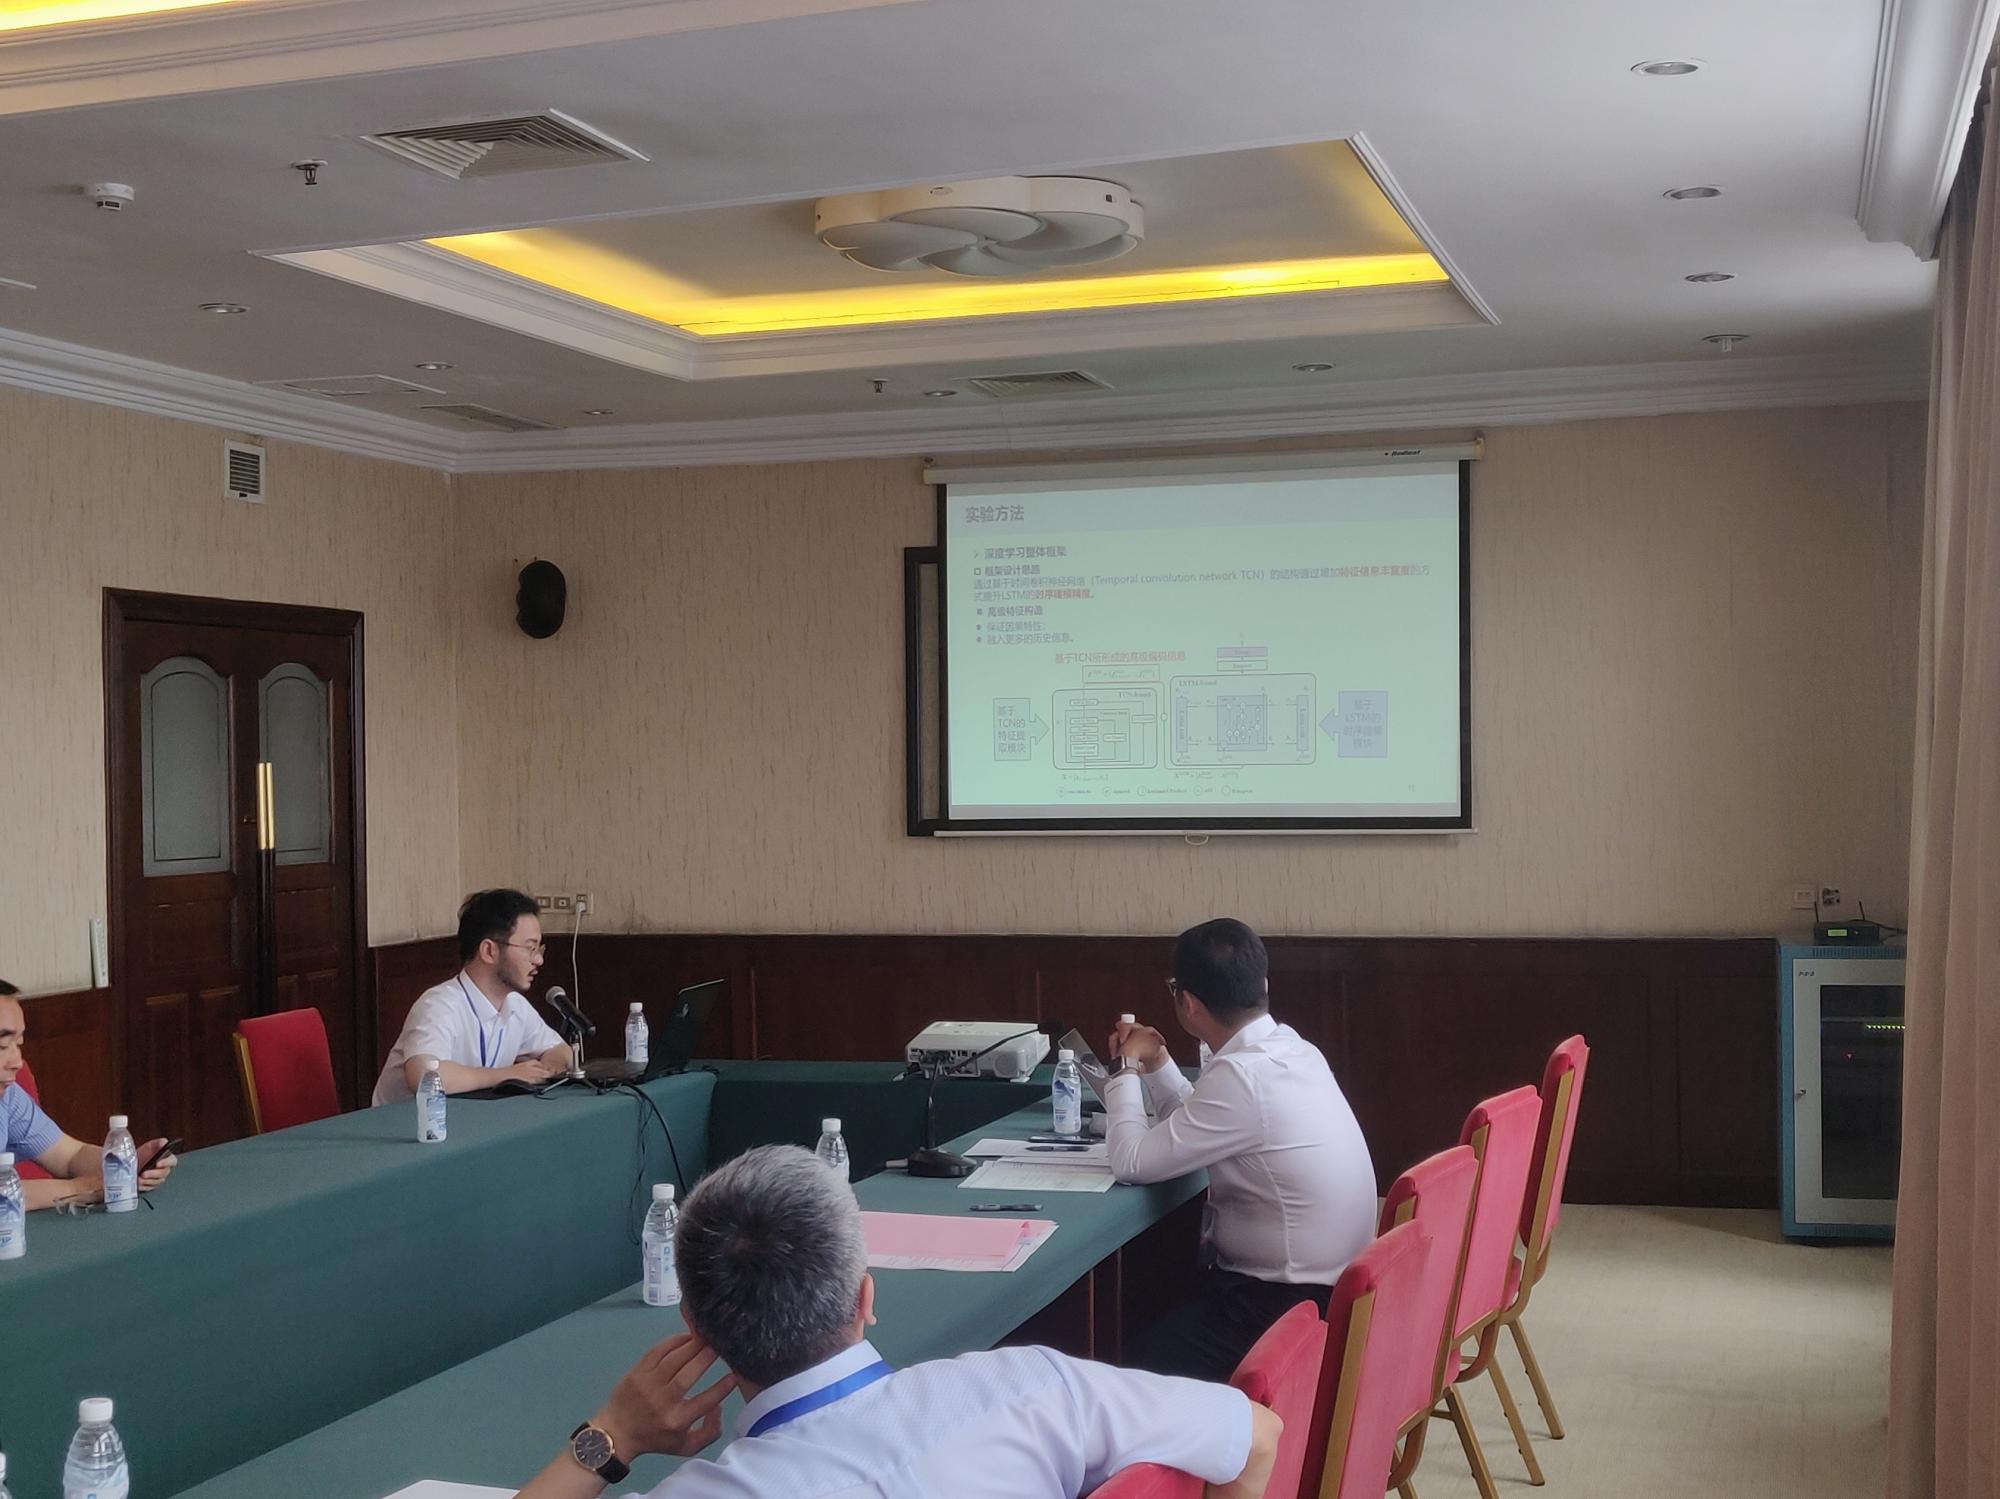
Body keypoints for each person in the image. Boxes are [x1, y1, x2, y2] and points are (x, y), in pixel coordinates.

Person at [514, 1145, 1281, 1499]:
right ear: (866, 1297)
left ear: (695, 1326)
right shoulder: (1034, 1388)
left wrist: (609, 1435)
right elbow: (1257, 1435)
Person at [1105, 917, 1377, 1383]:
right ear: (1263, 985)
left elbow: (1130, 1162)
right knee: (1155, 1300)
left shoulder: (1242, 1077)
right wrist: (1157, 1063)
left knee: (1125, 1358)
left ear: (1189, 1003)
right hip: (1333, 1290)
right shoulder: (1292, 1049)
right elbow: (1202, 1122)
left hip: (1284, 1307)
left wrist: (1125, 1067)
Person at [372, 890, 573, 1106]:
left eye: (539, 948)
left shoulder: (515, 1005)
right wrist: (507, 1075)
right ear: (489, 951)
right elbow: (424, 1076)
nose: (539, 960)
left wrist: (545, 1071)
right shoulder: (439, 1005)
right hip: (408, 1123)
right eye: (530, 948)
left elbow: (560, 1050)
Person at [0, 979, 177, 1211]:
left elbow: (70, 1156)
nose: (17, 1062)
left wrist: (127, 1162)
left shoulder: (8, 1097)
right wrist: (84, 1188)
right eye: (3, 1046)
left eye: (19, 1044)